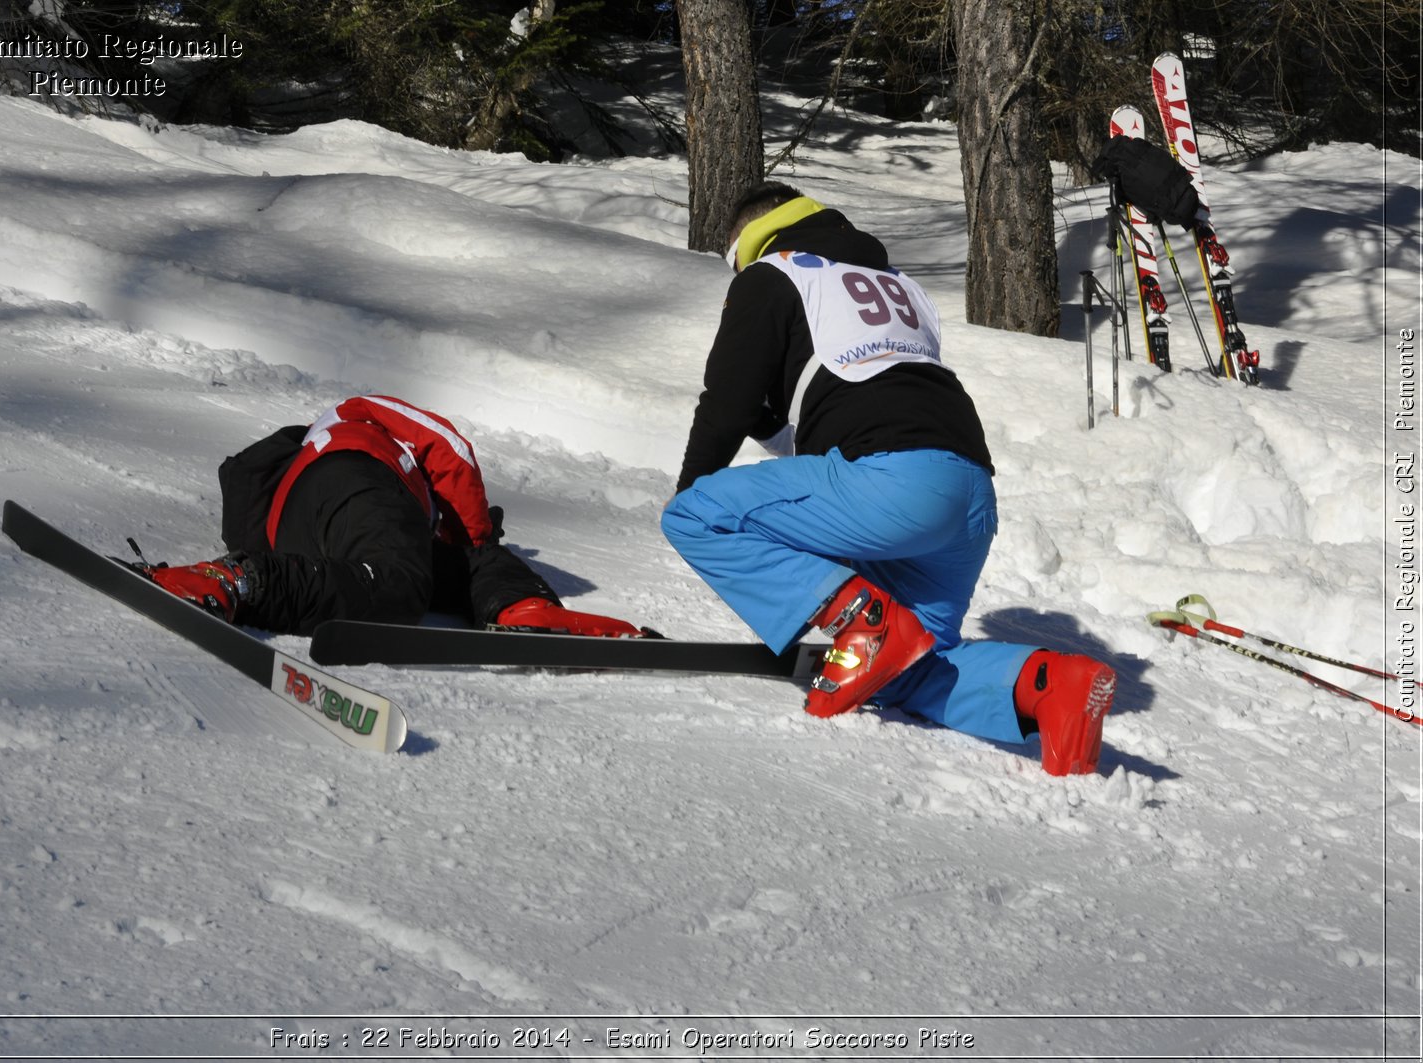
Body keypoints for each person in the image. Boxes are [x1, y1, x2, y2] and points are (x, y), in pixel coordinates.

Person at [659, 183, 1116, 775]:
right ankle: (1049, 685)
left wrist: (693, 489)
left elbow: (726, 403)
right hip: (969, 492)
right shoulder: (898, 284)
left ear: (751, 240)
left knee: (696, 515)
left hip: (891, 482)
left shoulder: (773, 273)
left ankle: (860, 620)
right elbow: (850, 397)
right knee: (909, 665)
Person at [141, 393, 646, 640]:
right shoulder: (355, 415)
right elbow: (449, 448)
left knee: (407, 577)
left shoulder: (293, 467)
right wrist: (477, 536)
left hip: (300, 528)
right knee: (403, 586)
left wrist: (478, 558)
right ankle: (234, 581)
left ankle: (522, 609)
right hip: (358, 477)